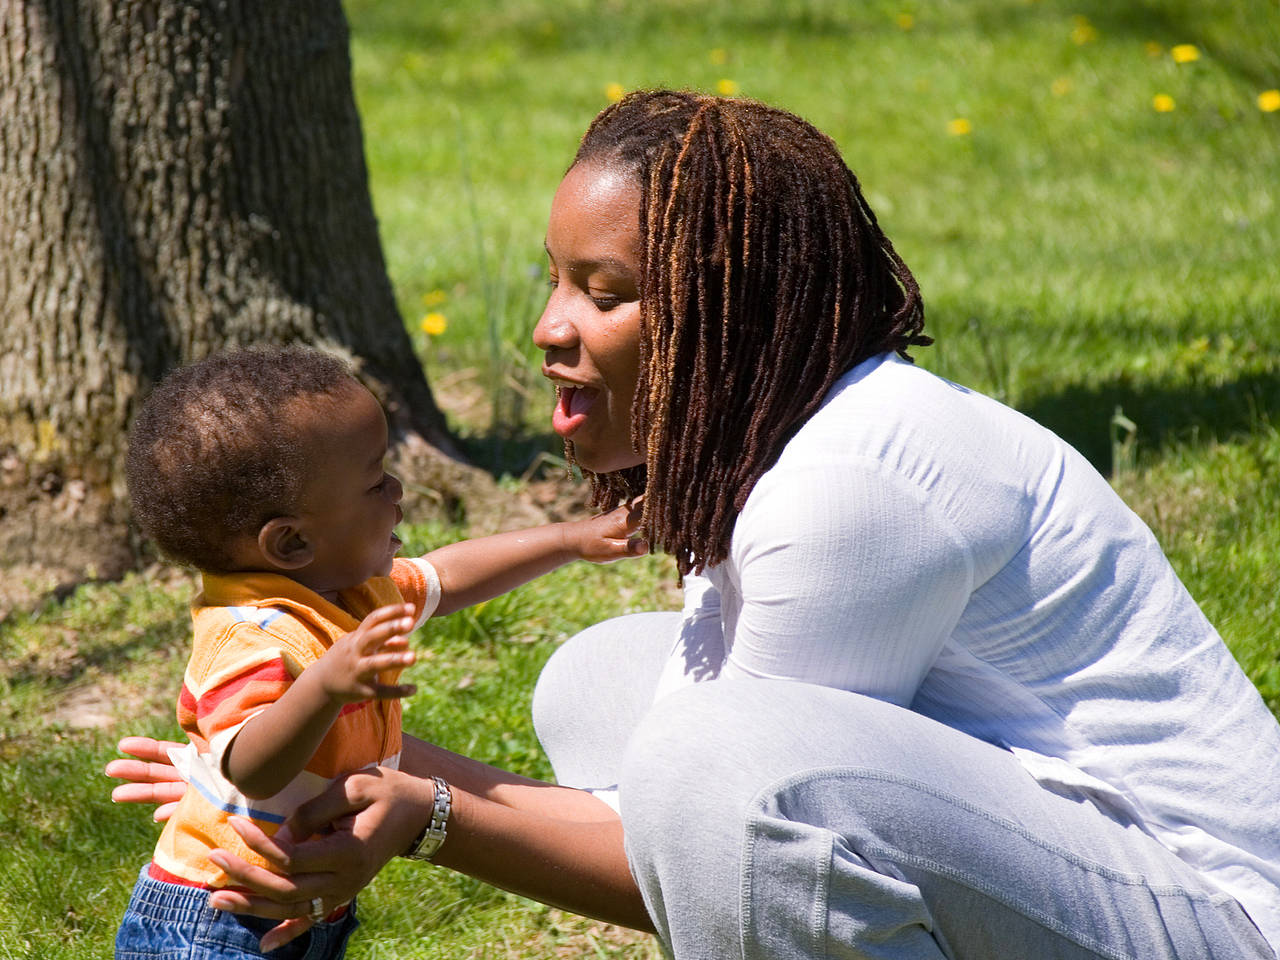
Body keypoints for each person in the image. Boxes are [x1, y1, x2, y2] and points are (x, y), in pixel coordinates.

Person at [108, 91, 1280, 959]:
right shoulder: (776, 440)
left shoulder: (849, 491)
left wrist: (423, 817)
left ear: (734, 312)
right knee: (599, 683)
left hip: (1202, 915)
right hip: (1049, 836)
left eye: (605, 292)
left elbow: (708, 818)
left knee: (718, 767)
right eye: (554, 278)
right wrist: (259, 767)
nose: (549, 328)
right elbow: (671, 810)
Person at [112, 346, 645, 959]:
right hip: (213, 917)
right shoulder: (251, 636)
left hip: (302, 899)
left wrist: (568, 539)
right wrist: (323, 685)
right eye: (374, 481)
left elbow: (446, 578)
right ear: (290, 542)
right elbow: (250, 767)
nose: (398, 488)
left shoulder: (345, 590)